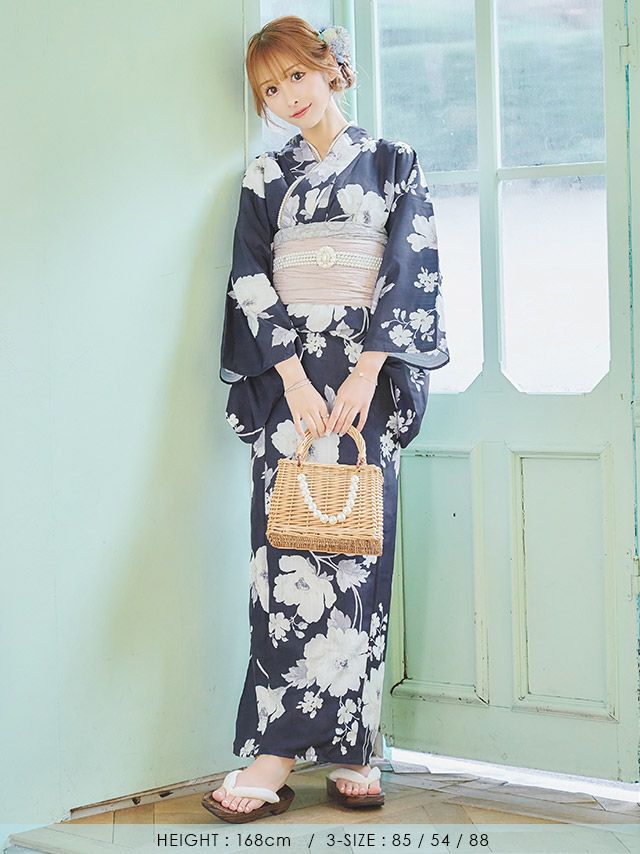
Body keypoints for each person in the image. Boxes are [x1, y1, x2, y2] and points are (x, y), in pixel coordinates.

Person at [203, 15, 450, 822]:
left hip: (362, 386)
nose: (287, 98)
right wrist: (290, 378)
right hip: (292, 392)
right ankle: (274, 754)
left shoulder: (393, 163)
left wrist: (371, 368)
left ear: (330, 68)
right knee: (282, 560)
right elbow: (250, 277)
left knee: (359, 557)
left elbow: (411, 268)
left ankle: (355, 745)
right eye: (269, 90)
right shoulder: (264, 177)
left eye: (296, 77)